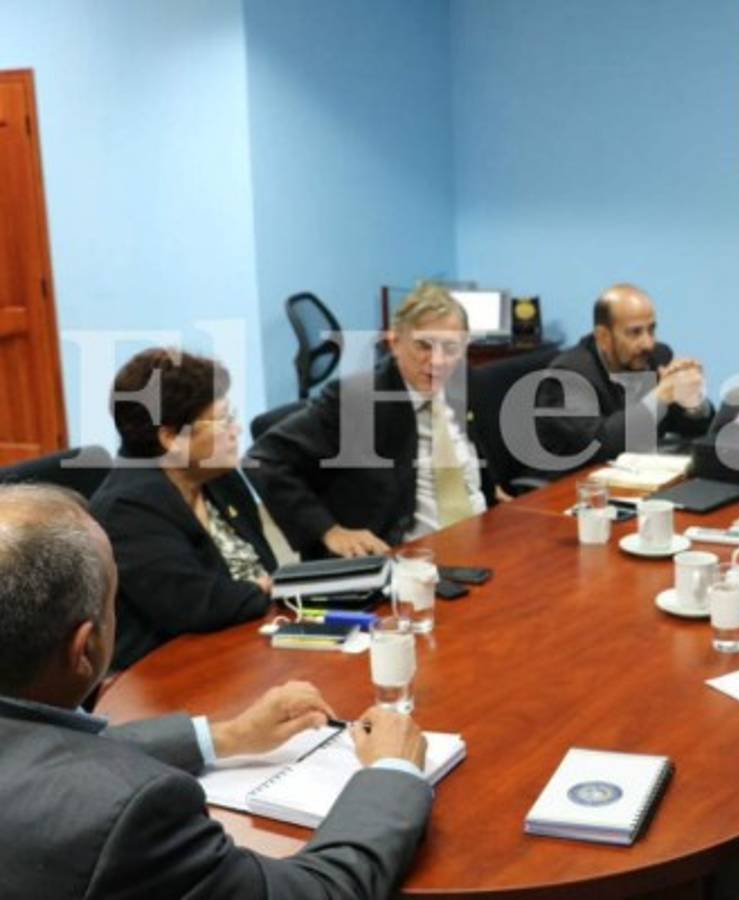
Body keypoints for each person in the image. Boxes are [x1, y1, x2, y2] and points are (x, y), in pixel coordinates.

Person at [0, 483, 432, 899]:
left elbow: (43, 748)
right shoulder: (128, 814)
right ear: (85, 649)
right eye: (114, 601)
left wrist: (226, 736)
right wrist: (392, 771)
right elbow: (315, 892)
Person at [247, 283, 496, 559]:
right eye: (424, 345)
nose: (438, 361)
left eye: (450, 348)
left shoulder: (462, 384)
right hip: (409, 558)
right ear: (395, 342)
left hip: (482, 537)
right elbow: (263, 459)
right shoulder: (355, 401)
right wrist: (328, 530)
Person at [90, 348, 275, 670]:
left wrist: (264, 590)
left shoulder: (218, 475)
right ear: (171, 437)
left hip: (251, 641)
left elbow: (267, 568)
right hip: (174, 671)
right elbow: (198, 606)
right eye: (223, 420)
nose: (236, 430)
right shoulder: (126, 510)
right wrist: (264, 590)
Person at [535, 283, 713, 465]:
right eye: (635, 333)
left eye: (651, 330)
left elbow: (694, 430)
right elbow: (601, 445)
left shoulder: (657, 356)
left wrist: (692, 402)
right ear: (603, 337)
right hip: (572, 478)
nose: (648, 344)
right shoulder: (567, 376)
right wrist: (660, 397)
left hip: (640, 471)